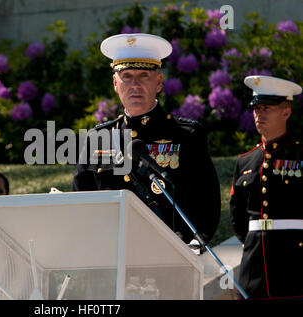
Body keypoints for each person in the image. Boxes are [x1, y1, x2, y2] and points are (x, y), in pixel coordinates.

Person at [72, 33, 221, 249]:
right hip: (112, 255)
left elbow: (208, 201)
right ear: (115, 83)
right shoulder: (98, 139)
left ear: (158, 82)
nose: (135, 84)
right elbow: (80, 204)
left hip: (169, 255)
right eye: (127, 76)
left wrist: (194, 245)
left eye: (144, 75)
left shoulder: (186, 135)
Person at [230, 75, 303, 299]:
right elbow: (239, 219)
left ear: (286, 112)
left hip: (295, 265)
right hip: (254, 267)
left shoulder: (300, 155)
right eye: (256, 108)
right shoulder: (245, 161)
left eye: (267, 108)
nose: (259, 114)